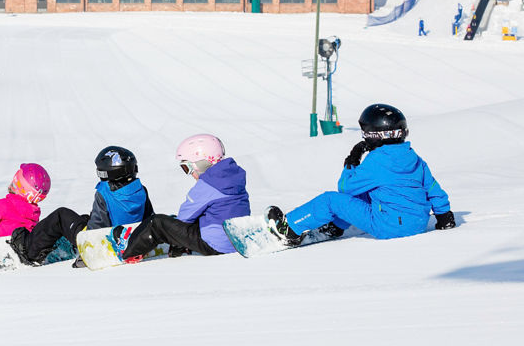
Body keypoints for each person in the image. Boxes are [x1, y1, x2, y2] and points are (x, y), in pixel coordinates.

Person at [267, 103, 455, 247]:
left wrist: (352, 160)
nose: (364, 136)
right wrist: (444, 215)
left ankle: (289, 229)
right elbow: (432, 188)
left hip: (389, 227)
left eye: (366, 133)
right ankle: (335, 227)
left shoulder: (377, 160)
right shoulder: (413, 157)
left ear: (376, 135)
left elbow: (346, 187)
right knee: (367, 192)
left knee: (330, 200)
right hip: (418, 223)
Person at [7, 146, 155, 267]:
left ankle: (29, 250)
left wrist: (87, 254)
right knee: (83, 218)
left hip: (103, 241)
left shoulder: (105, 193)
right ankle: (62, 242)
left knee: (61, 216)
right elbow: (149, 218)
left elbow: (97, 228)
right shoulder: (140, 189)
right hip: (130, 237)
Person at [120, 134, 250, 261]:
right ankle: (180, 246)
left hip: (215, 245)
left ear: (201, 163)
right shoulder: (232, 177)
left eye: (187, 167)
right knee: (182, 221)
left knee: (157, 223)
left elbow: (184, 218)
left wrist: (171, 229)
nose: (189, 174)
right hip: (235, 241)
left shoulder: (208, 184)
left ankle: (128, 251)